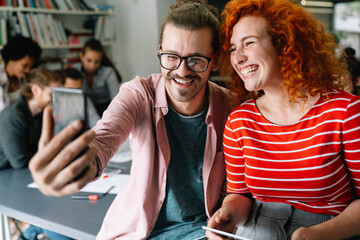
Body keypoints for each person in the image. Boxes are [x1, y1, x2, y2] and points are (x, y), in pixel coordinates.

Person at [29, 0, 237, 239]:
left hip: (201, 233)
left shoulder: (231, 107)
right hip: (137, 232)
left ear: (215, 60)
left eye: (195, 60)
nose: (182, 71)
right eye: (171, 57)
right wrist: (76, 167)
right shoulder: (138, 94)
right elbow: (105, 136)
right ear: (159, 50)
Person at [206, 0, 360, 240]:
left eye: (249, 43)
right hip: (258, 229)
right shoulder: (239, 121)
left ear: (285, 45)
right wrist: (227, 215)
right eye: (234, 48)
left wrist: (319, 234)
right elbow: (240, 195)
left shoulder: (346, 112)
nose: (238, 58)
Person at [0, 67, 62, 169]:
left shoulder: (40, 115)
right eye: (52, 94)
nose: (56, 100)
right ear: (35, 90)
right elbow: (19, 161)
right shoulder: (13, 117)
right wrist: (52, 153)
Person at [72, 38, 122, 116]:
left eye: (96, 62)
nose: (92, 66)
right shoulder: (74, 70)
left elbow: (116, 100)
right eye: (89, 60)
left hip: (107, 109)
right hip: (82, 109)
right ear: (81, 56)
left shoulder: (108, 72)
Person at [0, 36, 42, 112]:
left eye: (30, 67)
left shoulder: (25, 80)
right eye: (25, 65)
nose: (27, 70)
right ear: (12, 58)